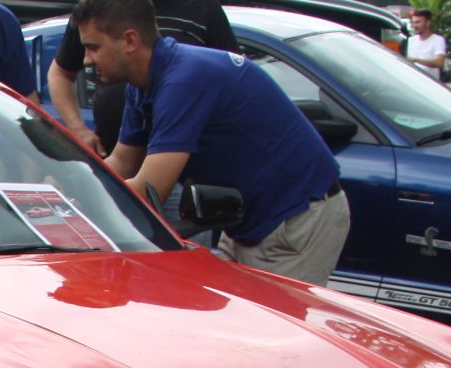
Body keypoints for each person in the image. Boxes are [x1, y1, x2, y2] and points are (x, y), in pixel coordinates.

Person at [77, 0, 349, 285]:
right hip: (254, 223)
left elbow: (150, 189)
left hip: (296, 218)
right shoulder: (142, 84)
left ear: (130, 40)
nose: (85, 60)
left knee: (276, 327)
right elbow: (123, 161)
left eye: (94, 47)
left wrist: (78, 201)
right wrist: (70, 183)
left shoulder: (184, 80)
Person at [46, 0, 237, 153]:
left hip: (182, 156)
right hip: (116, 147)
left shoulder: (203, 8)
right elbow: (60, 73)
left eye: (94, 48)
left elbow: (230, 77)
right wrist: (79, 130)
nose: (88, 60)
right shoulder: (99, 8)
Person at [406, 9, 447, 81]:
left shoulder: (438, 40)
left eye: (418, 22)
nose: (414, 26)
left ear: (428, 23)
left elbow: (439, 62)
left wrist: (416, 60)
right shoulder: (411, 40)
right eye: (413, 23)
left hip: (430, 83)